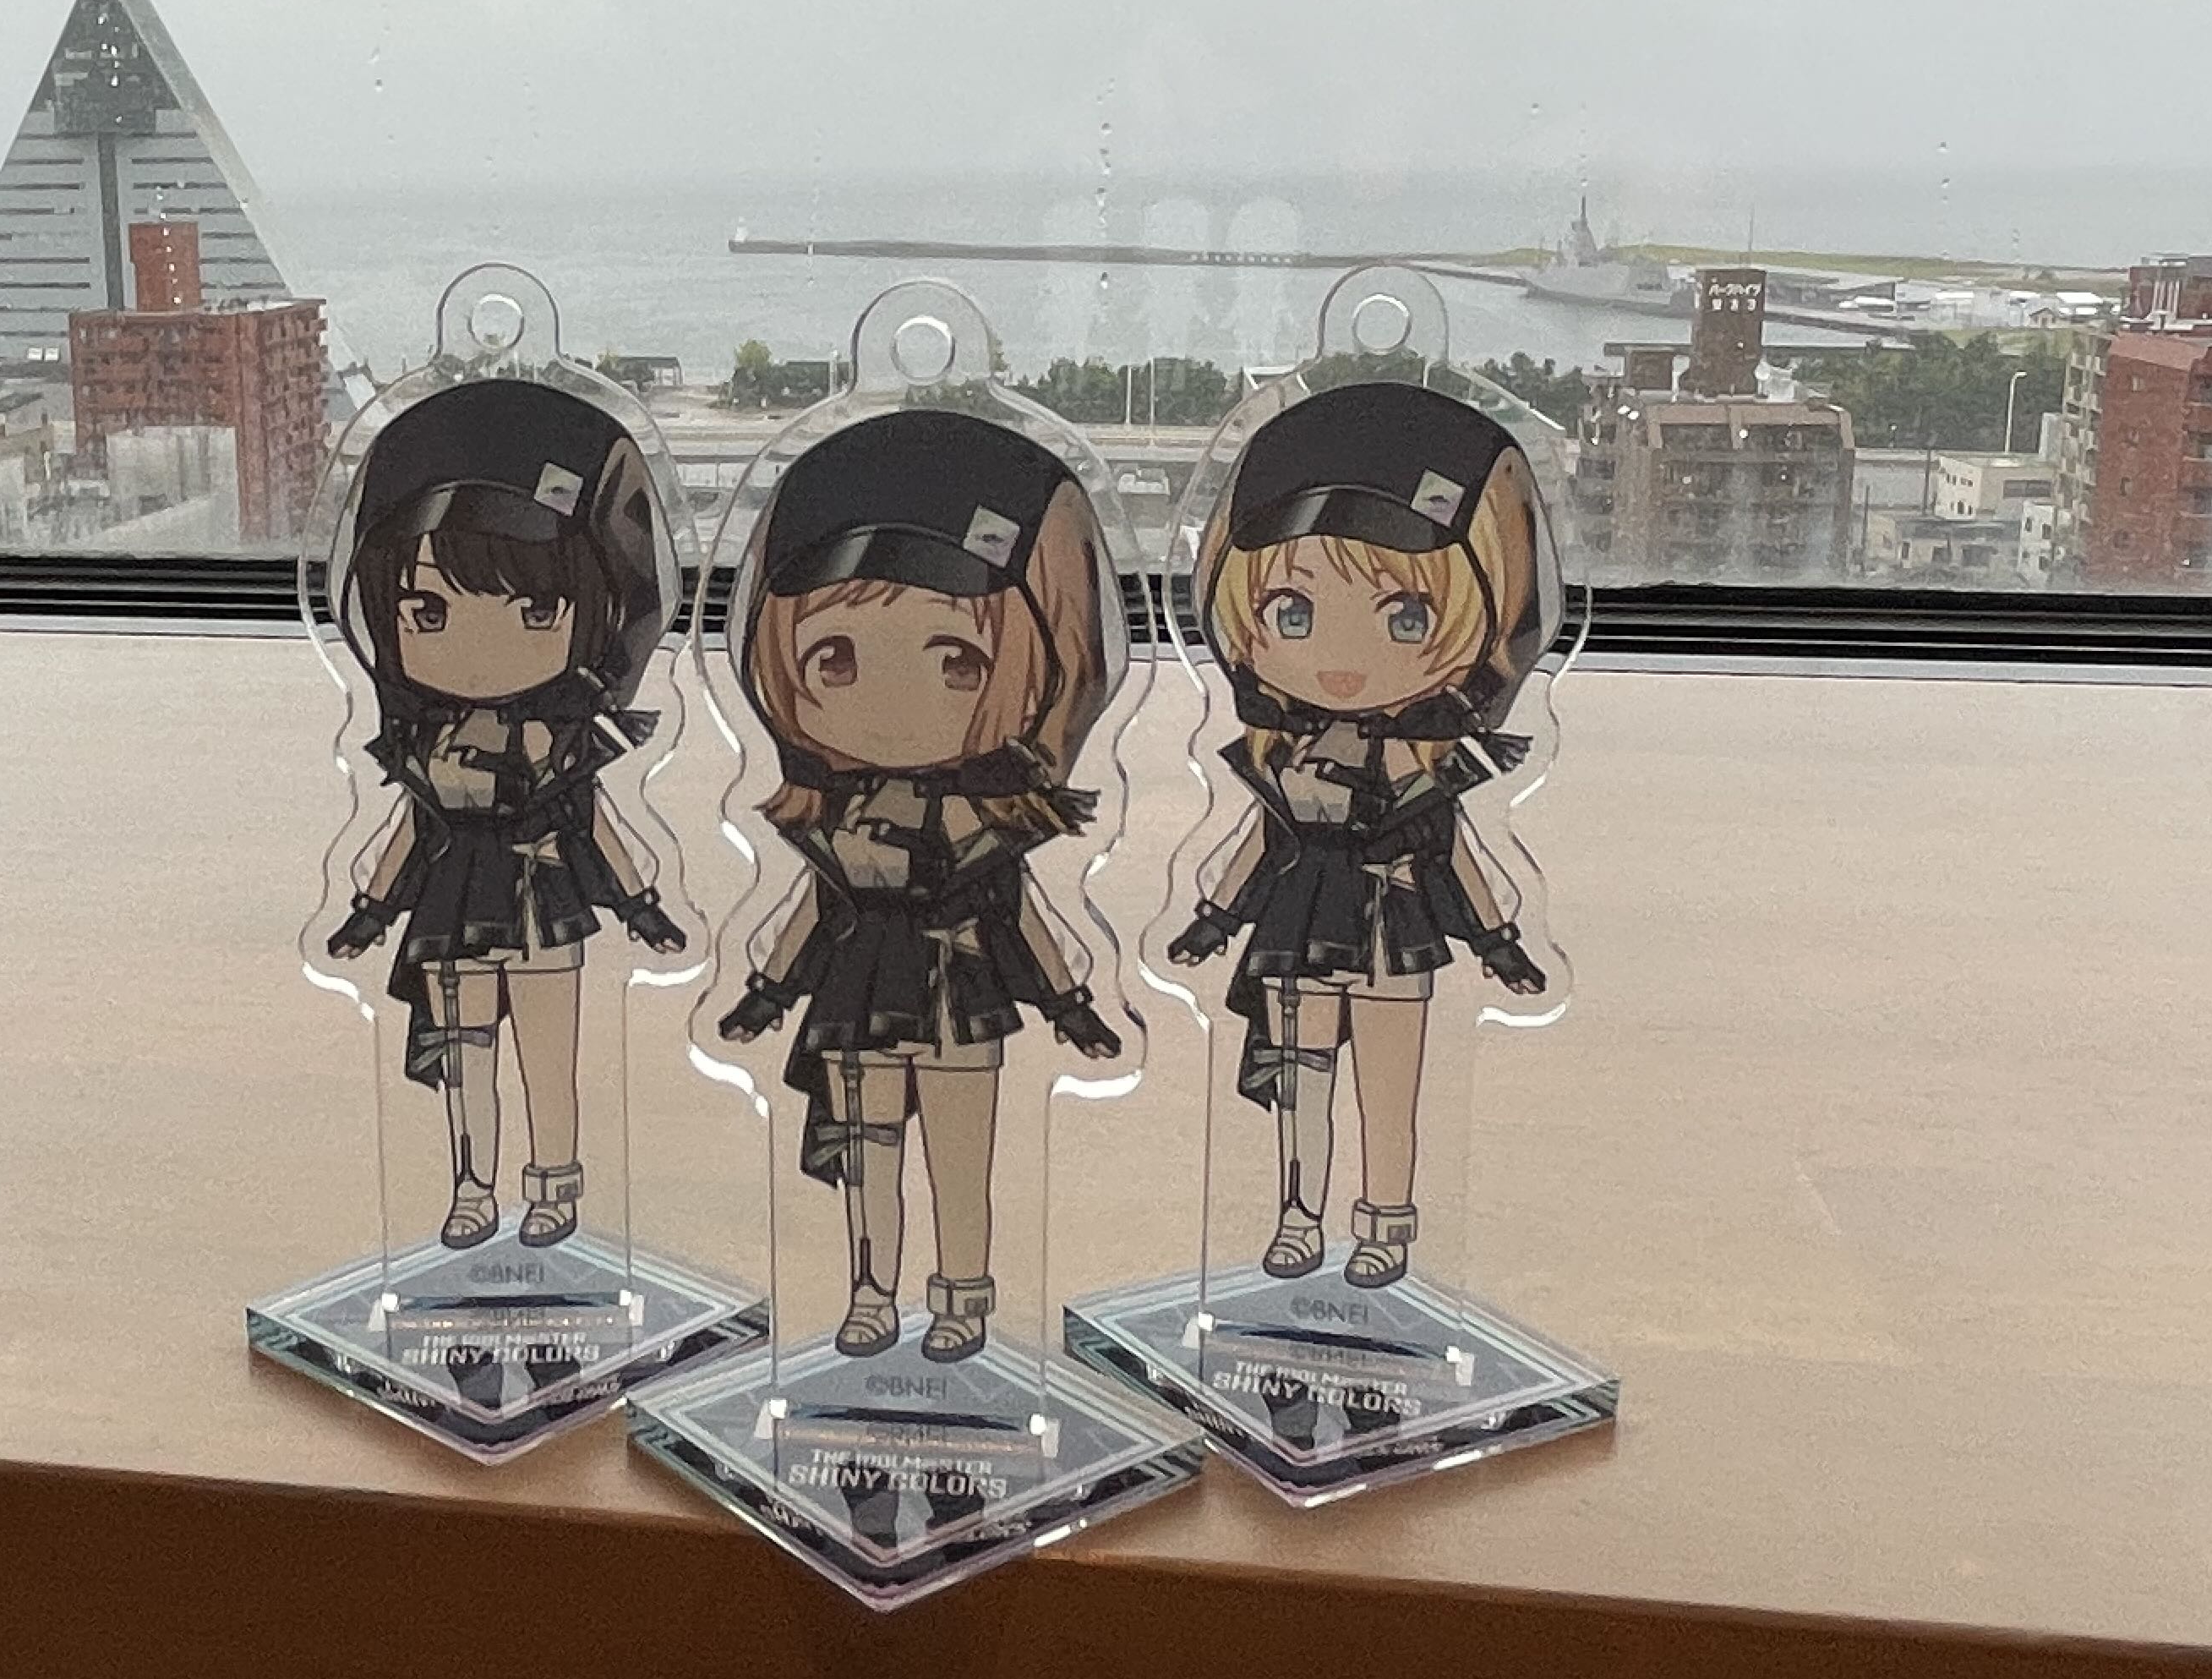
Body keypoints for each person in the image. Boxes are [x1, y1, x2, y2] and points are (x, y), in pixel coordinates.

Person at [718, 409, 1122, 1365]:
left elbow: (1021, 916)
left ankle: (963, 1300)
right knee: (869, 1158)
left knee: (959, 1161)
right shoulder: (837, 826)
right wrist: (766, 994)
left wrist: (1070, 1006)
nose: (893, 701)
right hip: (856, 996)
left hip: (959, 996)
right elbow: (813, 912)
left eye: (958, 662)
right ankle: (870, 1295)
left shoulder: (985, 828)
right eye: (834, 659)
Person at [1165, 384, 1553, 1290]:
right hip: (1299, 924)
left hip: (1393, 926)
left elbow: (1455, 852)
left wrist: (1499, 941)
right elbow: (1261, 843)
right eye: (1292, 614)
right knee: (1299, 1082)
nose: (1340, 658)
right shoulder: (1286, 757)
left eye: (1408, 618)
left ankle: (1384, 1226)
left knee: (1388, 1090)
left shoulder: (1423, 765)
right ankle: (1298, 1218)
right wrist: (1213, 919)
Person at [318, 380, 685, 1250]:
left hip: (543, 905)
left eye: (536, 612)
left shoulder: (562, 747)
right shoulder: (428, 747)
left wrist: (641, 906)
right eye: (429, 612)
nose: (480, 649)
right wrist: (369, 911)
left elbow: (595, 824)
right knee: (466, 1058)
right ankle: (472, 1189)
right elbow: (410, 831)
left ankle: (554, 1186)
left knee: (549, 1060)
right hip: (452, 908)